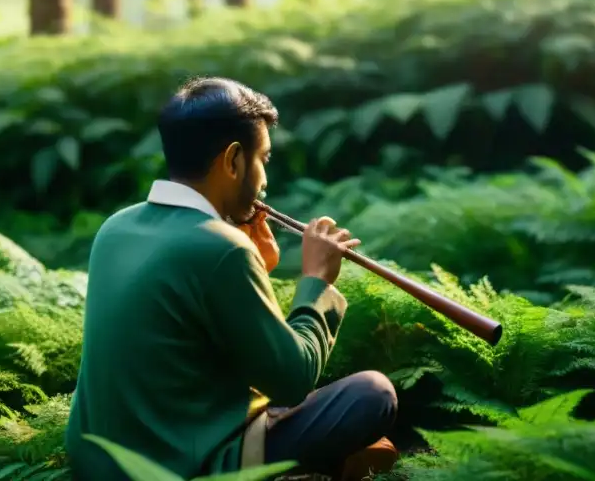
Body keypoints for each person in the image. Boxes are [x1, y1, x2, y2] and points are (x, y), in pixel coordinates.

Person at [65, 77, 398, 481]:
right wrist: (317, 281)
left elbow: (196, 330)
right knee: (372, 394)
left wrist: (257, 263)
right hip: (184, 466)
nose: (264, 181)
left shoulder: (116, 228)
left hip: (100, 463)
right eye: (265, 159)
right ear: (234, 161)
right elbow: (291, 379)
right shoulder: (221, 249)